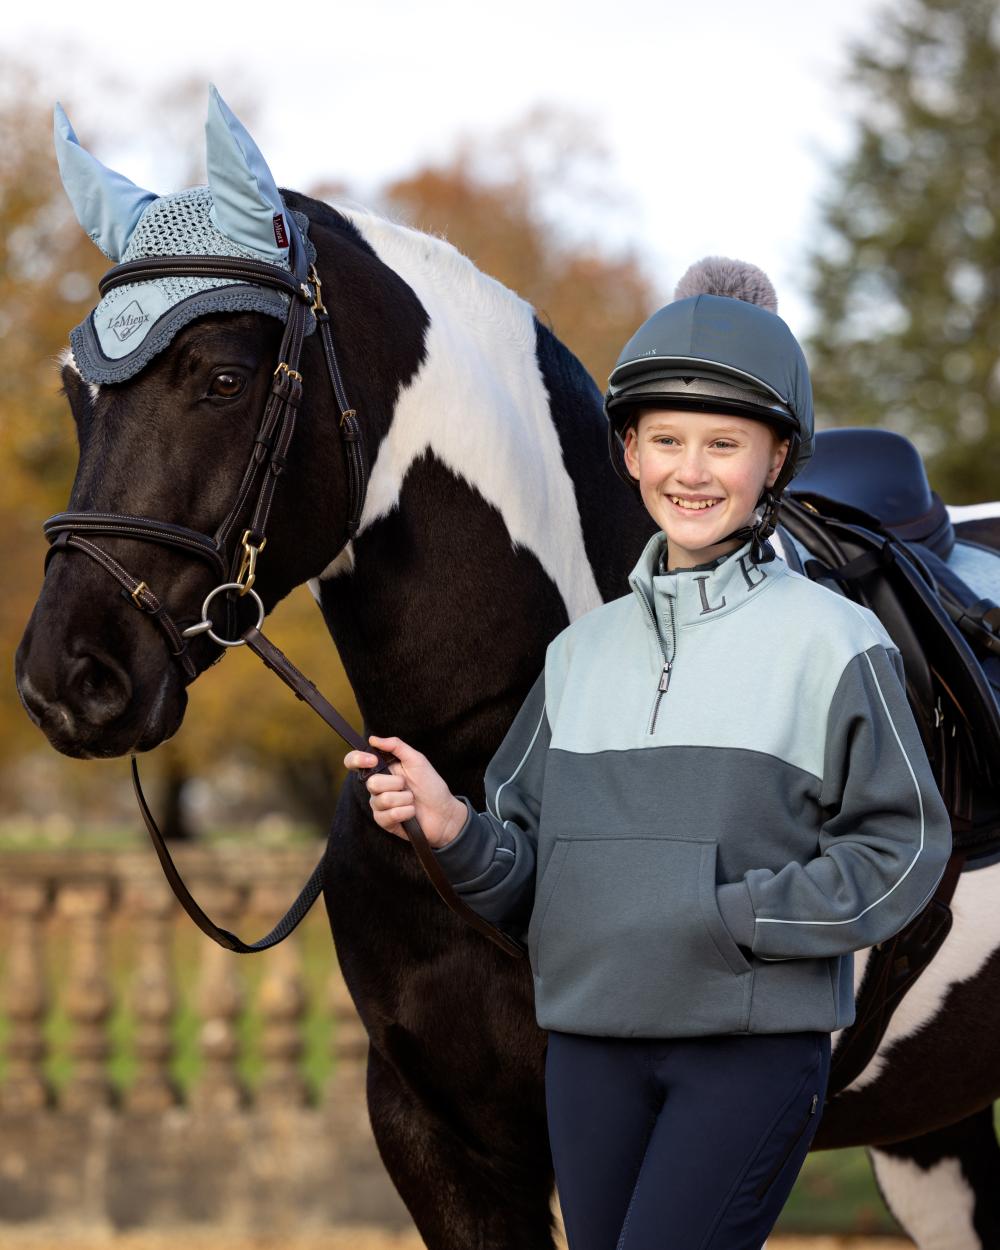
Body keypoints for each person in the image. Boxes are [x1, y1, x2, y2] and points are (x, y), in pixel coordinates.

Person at [343, 258, 952, 1250]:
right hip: (587, 1053)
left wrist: (731, 918)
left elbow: (904, 842)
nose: (691, 469)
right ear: (626, 450)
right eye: (665, 439)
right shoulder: (579, 654)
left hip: (746, 1050)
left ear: (777, 458)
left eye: (724, 443)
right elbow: (533, 880)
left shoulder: (834, 641)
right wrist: (453, 828)